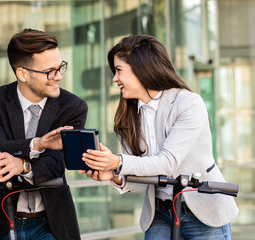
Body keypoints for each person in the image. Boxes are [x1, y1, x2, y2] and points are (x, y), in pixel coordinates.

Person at [81, 35, 239, 239]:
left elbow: (167, 163)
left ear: (141, 68)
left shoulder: (188, 103)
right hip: (161, 214)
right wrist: (113, 174)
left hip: (204, 213)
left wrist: (118, 161)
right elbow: (142, 180)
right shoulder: (127, 116)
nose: (115, 79)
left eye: (119, 70)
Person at [0, 29, 88, 240]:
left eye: (60, 68)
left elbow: (56, 162)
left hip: (50, 223)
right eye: (50, 71)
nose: (58, 76)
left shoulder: (73, 107)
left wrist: (23, 166)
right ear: (22, 74)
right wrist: (38, 144)